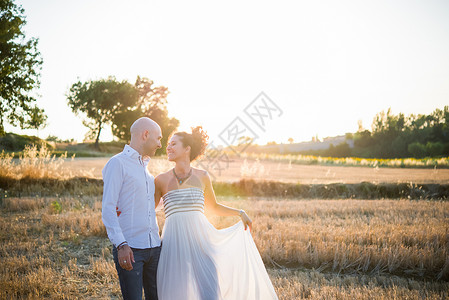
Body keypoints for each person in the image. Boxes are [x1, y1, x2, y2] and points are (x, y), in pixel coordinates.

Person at [155, 126, 278, 300]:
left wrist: (240, 212)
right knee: (175, 292)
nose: (168, 147)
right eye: (168, 144)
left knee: (210, 290)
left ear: (187, 148)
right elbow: (148, 210)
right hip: (173, 241)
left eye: (173, 144)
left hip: (201, 239)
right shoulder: (160, 179)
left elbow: (213, 207)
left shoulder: (202, 176)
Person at [102, 117, 163, 300]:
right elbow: (108, 208)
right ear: (145, 135)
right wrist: (121, 244)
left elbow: (148, 207)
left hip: (155, 247)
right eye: (158, 138)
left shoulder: (146, 170)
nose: (160, 144)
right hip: (131, 249)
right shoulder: (117, 163)